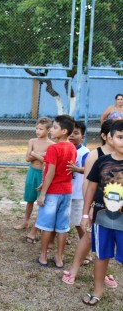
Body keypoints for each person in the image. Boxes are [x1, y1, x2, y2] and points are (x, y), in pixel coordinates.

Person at [62, 120, 118, 288]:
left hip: (117, 211)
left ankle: (104, 272)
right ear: (106, 136)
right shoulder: (96, 155)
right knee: (88, 237)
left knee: (109, 242)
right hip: (99, 208)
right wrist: (90, 208)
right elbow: (88, 183)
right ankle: (74, 270)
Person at [81, 120, 123, 306]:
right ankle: (98, 290)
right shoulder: (101, 162)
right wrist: (84, 214)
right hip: (102, 220)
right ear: (111, 138)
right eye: (120, 137)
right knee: (101, 256)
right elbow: (91, 189)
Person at [36, 115, 77, 268]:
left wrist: (43, 193)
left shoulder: (53, 148)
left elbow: (51, 172)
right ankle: (59, 258)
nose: (52, 130)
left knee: (47, 226)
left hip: (53, 192)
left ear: (64, 131)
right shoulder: (72, 147)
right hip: (67, 192)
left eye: (55, 127)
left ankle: (44, 256)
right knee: (62, 227)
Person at [14, 117, 54, 245]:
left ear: (48, 130)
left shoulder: (52, 145)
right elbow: (27, 157)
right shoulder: (32, 141)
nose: (38, 131)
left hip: (43, 174)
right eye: (36, 128)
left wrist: (35, 154)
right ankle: (25, 221)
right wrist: (40, 155)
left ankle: (40, 224)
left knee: (42, 201)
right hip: (32, 172)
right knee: (29, 199)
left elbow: (46, 161)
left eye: (41, 129)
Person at [66, 121, 90, 239]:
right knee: (61, 220)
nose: (71, 135)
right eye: (70, 132)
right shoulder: (64, 148)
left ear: (82, 136)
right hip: (63, 192)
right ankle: (51, 242)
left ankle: (84, 243)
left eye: (76, 133)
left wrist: (76, 169)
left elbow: (88, 169)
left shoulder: (84, 152)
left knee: (78, 222)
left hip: (77, 194)